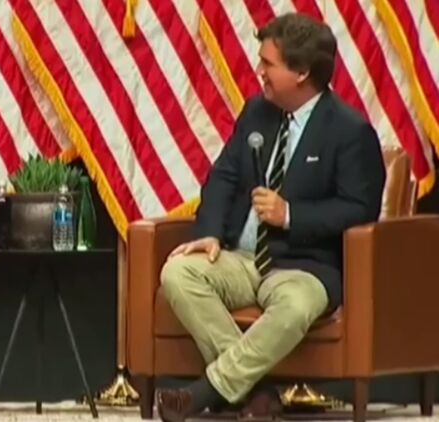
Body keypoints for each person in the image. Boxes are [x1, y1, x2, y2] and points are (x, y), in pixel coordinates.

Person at [157, 13, 386, 422]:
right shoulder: (256, 112)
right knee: (179, 272)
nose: (258, 70)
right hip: (241, 259)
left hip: (304, 266)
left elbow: (359, 208)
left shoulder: (350, 131)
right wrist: (210, 233)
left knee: (295, 307)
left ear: (301, 73)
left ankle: (206, 390)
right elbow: (224, 176)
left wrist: (291, 214)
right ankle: (255, 392)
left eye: (268, 63)